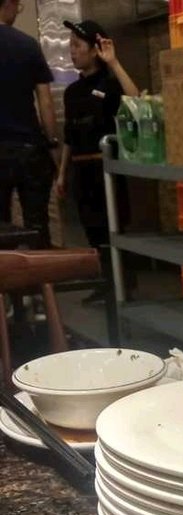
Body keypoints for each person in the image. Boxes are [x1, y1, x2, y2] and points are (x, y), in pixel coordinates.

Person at [56, 20, 139, 300]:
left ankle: (124, 285)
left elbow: (136, 101)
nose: (72, 51)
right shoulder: (72, 92)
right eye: (70, 45)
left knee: (112, 226)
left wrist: (113, 62)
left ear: (94, 50)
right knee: (92, 231)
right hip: (81, 169)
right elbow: (68, 135)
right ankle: (105, 283)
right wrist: (62, 173)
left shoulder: (110, 84)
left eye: (77, 46)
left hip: (106, 169)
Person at [0, 0, 59, 248]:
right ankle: (43, 272)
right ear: (8, 4)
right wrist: (53, 143)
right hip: (29, 149)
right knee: (37, 226)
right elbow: (45, 101)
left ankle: (6, 272)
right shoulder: (28, 45)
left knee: (1, 229)